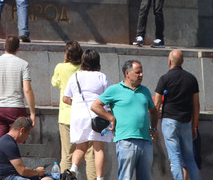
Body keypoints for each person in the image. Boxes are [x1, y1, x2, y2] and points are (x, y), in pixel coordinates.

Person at [90, 60, 159, 180]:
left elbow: (153, 111)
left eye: (142, 72)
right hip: (126, 140)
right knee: (125, 177)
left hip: (146, 140)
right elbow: (95, 106)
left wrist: (154, 128)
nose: (141, 75)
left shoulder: (145, 90)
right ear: (127, 73)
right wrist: (110, 117)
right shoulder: (114, 89)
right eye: (137, 72)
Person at [62, 50, 112, 180]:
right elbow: (108, 97)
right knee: (98, 149)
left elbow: (65, 98)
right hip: (98, 116)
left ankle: (73, 168)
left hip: (78, 116)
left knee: (80, 147)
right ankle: (99, 178)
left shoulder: (75, 76)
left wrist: (77, 104)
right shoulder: (101, 76)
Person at [153, 49, 201, 180]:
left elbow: (157, 103)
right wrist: (194, 126)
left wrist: (153, 126)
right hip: (186, 122)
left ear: (169, 61)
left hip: (169, 121)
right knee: (190, 158)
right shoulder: (191, 79)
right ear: (183, 62)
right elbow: (196, 105)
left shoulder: (164, 79)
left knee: (175, 159)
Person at [51, 42, 96, 179]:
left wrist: (64, 63)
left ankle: (65, 178)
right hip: (85, 115)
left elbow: (55, 82)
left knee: (67, 153)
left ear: (67, 54)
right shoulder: (85, 70)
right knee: (90, 153)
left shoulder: (61, 67)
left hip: (66, 115)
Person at [0, 35, 36, 142]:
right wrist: (32, 112)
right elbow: (27, 90)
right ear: (18, 48)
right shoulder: (23, 64)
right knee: (17, 145)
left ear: (4, 46)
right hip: (16, 109)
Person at [0, 116, 55, 180]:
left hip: (11, 176)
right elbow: (22, 171)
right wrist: (37, 171)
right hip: (4, 178)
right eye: (28, 133)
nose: (27, 137)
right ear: (22, 130)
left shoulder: (8, 141)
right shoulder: (9, 144)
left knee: (48, 178)